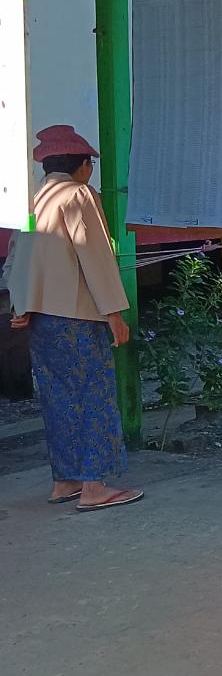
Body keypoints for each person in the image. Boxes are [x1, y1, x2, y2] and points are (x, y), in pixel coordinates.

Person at [3, 125, 142, 511]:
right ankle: (94, 486)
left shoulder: (33, 201)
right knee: (92, 395)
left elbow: (17, 256)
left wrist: (19, 304)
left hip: (39, 318)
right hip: (78, 317)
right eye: (89, 164)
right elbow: (95, 255)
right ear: (82, 166)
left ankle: (64, 481)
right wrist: (114, 313)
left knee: (57, 397)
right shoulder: (78, 195)